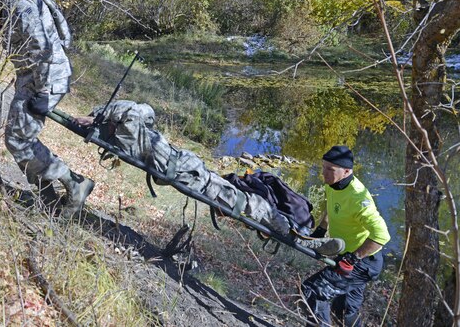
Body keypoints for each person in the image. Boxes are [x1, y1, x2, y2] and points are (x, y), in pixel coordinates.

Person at [75, 100, 345, 256]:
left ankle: (304, 235)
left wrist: (96, 117)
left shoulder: (134, 131)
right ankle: (302, 239)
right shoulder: (132, 133)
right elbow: (137, 111)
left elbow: (141, 110)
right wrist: (97, 118)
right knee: (254, 206)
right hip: (192, 176)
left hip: (192, 169)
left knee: (253, 201)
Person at [0, 0, 94, 216]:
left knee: (17, 138)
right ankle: (47, 198)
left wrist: (44, 91)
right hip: (34, 78)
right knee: (19, 137)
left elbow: (42, 46)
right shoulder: (11, 2)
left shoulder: (19, 3)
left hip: (46, 80)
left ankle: (74, 183)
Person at [301, 145, 391, 326]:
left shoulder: (358, 198)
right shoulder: (333, 184)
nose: (324, 173)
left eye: (330, 170)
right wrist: (321, 229)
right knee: (343, 312)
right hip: (348, 256)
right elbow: (330, 205)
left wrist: (353, 258)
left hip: (363, 261)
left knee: (313, 291)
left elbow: (381, 235)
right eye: (323, 167)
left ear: (347, 171)